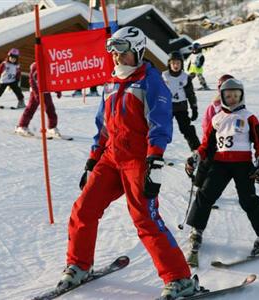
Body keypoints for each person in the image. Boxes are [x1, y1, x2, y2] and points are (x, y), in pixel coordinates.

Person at [56, 26, 200, 300]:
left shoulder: (151, 80)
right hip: (111, 158)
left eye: (122, 52)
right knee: (83, 209)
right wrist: (92, 160)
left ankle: (180, 278)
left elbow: (160, 122)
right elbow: (103, 126)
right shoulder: (111, 83)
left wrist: (155, 161)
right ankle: (78, 265)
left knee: (145, 217)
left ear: (137, 51)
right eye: (113, 52)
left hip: (138, 159)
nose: (116, 58)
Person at [185, 78, 259, 257]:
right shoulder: (217, 119)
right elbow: (206, 146)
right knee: (205, 195)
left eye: (236, 96)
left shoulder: (249, 117)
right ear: (222, 96)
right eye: (228, 96)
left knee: (248, 199)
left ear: (241, 96)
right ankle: (196, 230)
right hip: (220, 164)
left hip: (243, 165)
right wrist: (195, 157)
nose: (232, 99)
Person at [193, 74, 234, 188]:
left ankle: (210, 188)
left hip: (227, 142)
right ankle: (198, 184)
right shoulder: (214, 106)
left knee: (220, 168)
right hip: (212, 140)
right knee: (206, 163)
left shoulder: (237, 106)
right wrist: (207, 139)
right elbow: (206, 123)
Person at [162, 51, 200, 151]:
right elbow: (157, 92)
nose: (176, 65)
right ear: (169, 64)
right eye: (173, 63)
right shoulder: (164, 76)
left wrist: (194, 108)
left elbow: (191, 94)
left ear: (182, 64)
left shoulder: (185, 77)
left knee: (186, 129)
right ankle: (155, 152)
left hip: (181, 107)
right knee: (161, 129)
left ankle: (197, 150)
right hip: (166, 107)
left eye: (178, 63)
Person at [14, 62, 62, 138]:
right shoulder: (36, 66)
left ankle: (51, 127)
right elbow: (31, 80)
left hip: (46, 91)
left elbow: (53, 78)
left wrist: (58, 90)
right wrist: (36, 93)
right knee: (31, 109)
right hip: (36, 91)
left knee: (50, 109)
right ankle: (22, 126)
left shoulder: (50, 65)